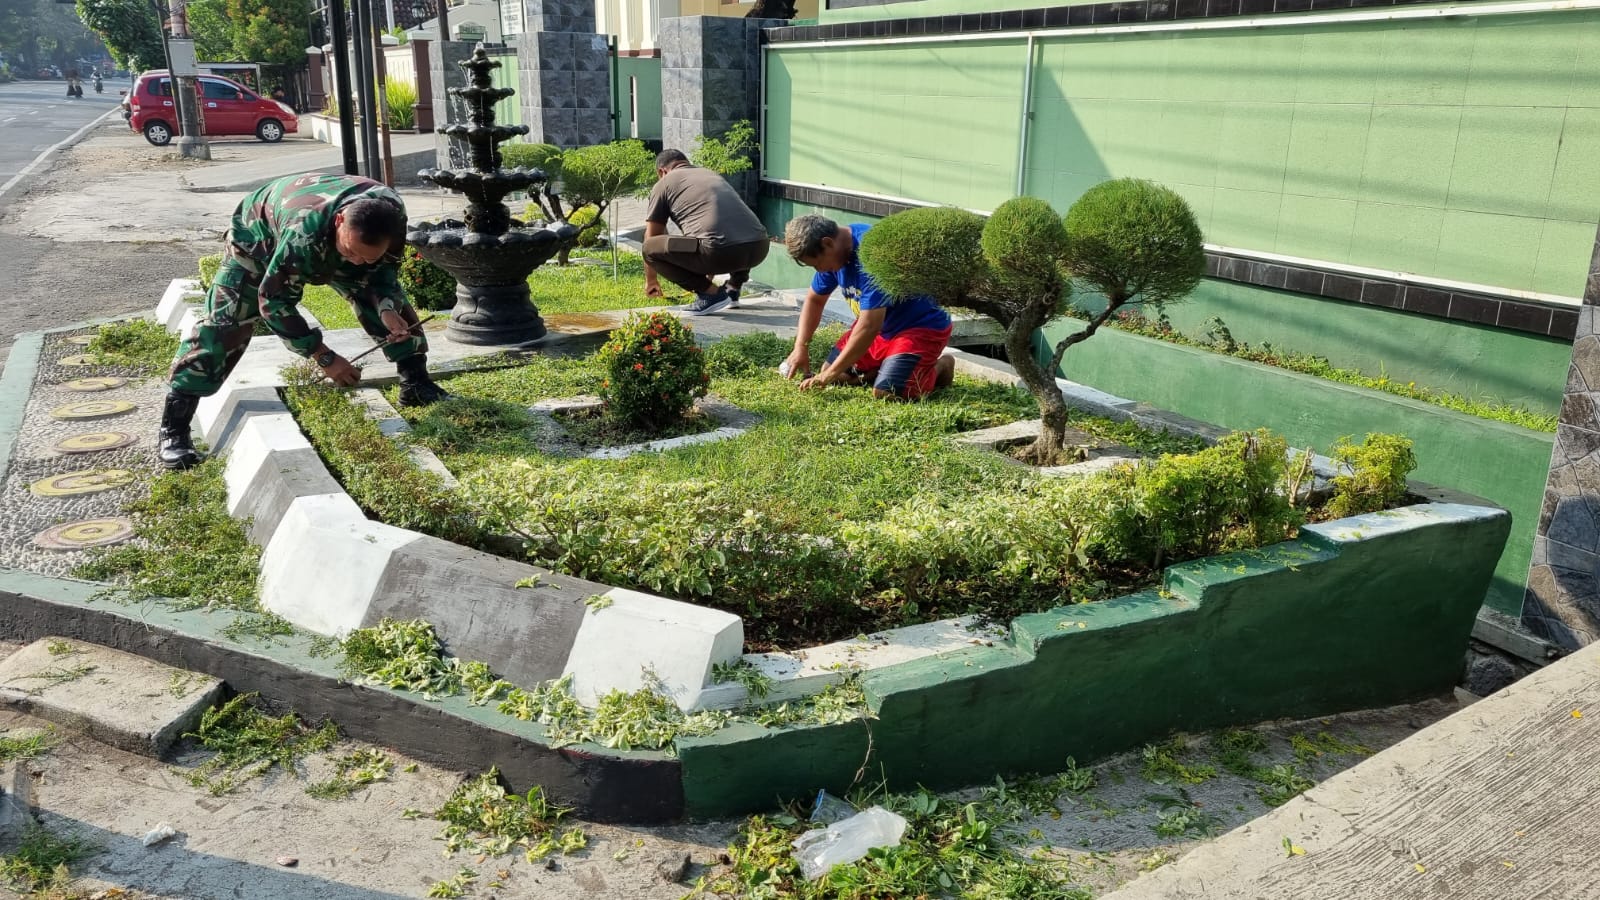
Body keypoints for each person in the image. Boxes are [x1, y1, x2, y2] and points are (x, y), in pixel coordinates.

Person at [158, 173, 451, 470]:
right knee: (225, 325)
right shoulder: (303, 234)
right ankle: (175, 429)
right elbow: (274, 301)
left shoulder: (391, 213)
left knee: (392, 306)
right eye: (351, 253)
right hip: (258, 241)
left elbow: (383, 271)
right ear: (339, 222)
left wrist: (386, 307)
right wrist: (324, 357)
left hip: (326, 234)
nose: (357, 263)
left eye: (367, 258)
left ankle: (415, 383)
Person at [781, 214, 955, 401]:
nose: (820, 272)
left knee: (888, 393)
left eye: (816, 265)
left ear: (827, 243)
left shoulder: (873, 256)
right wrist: (801, 346)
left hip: (917, 327)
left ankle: (940, 366)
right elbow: (815, 300)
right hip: (880, 329)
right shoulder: (835, 254)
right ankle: (883, 369)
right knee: (836, 374)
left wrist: (827, 376)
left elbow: (869, 326)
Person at [641, 149, 770, 316]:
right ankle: (733, 287)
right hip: (759, 246)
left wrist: (651, 280)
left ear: (662, 171)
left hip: (720, 251)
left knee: (649, 248)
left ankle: (710, 295)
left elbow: (652, 237)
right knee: (736, 232)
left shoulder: (663, 184)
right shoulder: (710, 174)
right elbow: (716, 227)